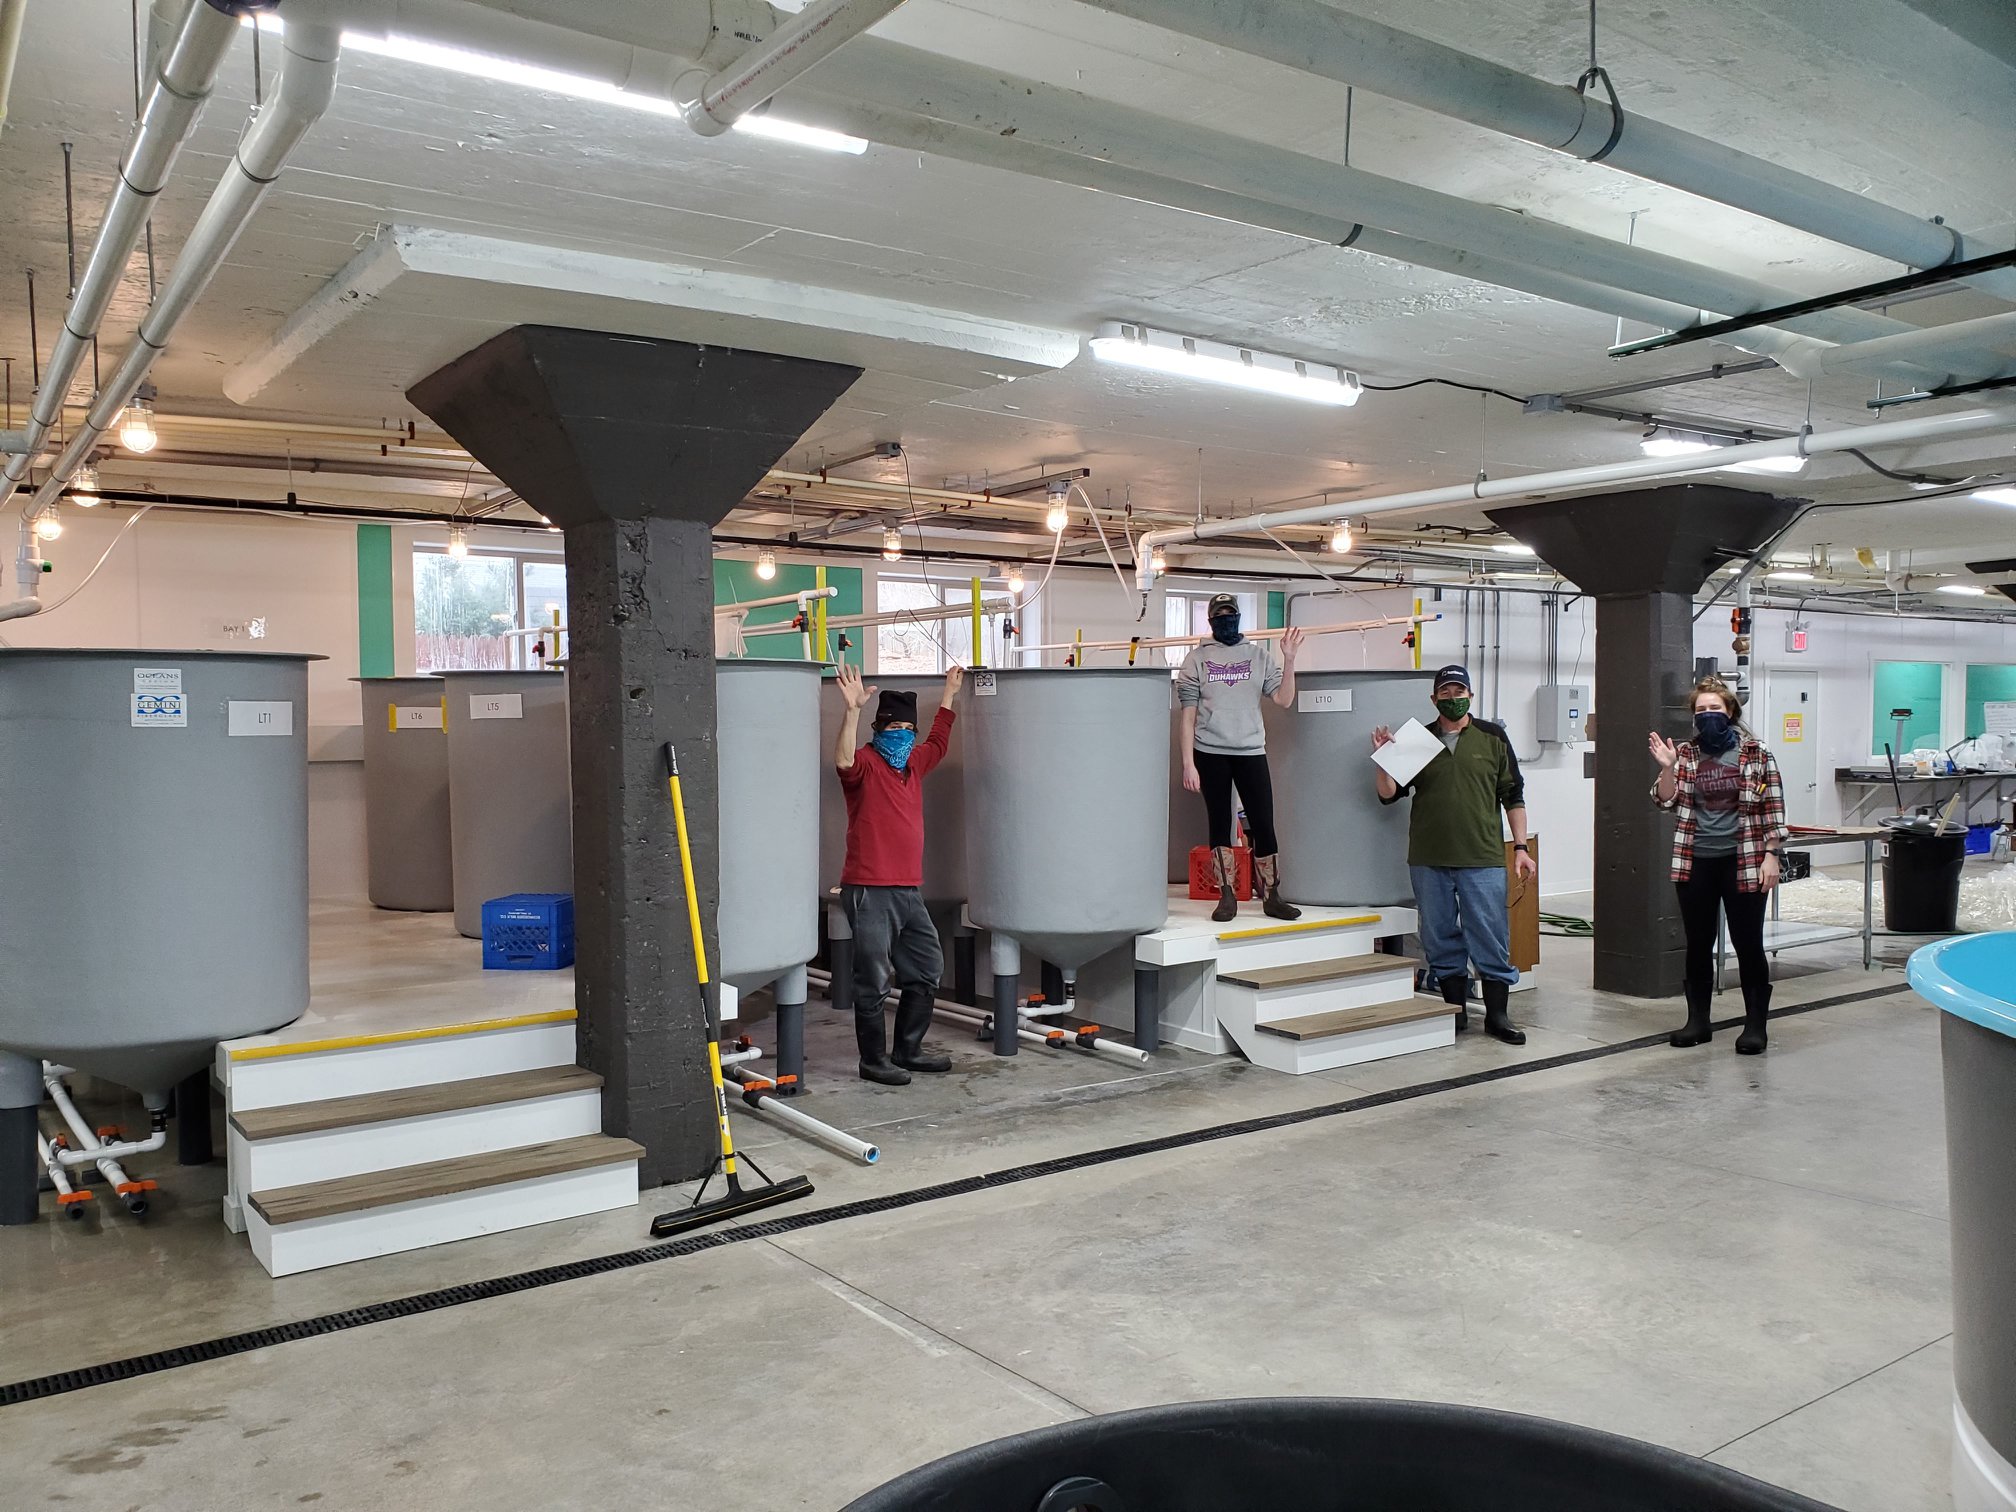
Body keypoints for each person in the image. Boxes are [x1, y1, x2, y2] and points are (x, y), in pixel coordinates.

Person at [1372, 665, 1535, 1044]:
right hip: (1429, 857)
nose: (1452, 698)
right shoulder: (1418, 740)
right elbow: (1388, 794)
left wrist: (1522, 847)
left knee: (1490, 935)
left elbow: (1513, 796)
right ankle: (1455, 1015)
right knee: (1439, 936)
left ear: (1471, 696)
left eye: (1458, 691)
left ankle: (1498, 1016)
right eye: (1445, 693)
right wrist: (1383, 760)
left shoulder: (1494, 738)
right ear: (1433, 699)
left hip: (1482, 858)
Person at [834, 661, 963, 1085]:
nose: (903, 736)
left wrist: (948, 695)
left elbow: (939, 742)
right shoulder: (866, 765)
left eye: (909, 729)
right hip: (870, 889)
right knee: (872, 977)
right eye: (895, 729)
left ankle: (908, 1050)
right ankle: (872, 1061)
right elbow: (844, 760)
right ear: (879, 728)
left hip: (908, 890)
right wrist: (851, 711)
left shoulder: (913, 764)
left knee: (927, 967)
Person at [1649, 675, 1788, 1054]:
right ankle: (1698, 1022)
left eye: (1715, 709)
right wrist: (1666, 767)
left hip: (1743, 861)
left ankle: (1755, 1026)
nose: (1708, 715)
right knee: (1698, 944)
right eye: (1701, 710)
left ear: (1730, 712)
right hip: (1695, 862)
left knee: (1748, 944)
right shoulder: (1687, 755)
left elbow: (1773, 809)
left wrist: (1772, 855)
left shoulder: (1757, 753)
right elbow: (1665, 801)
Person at [1176, 595, 1307, 922]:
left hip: (1250, 751)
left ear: (1238, 617)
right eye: (1219, 615)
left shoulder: (1258, 655)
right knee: (1219, 823)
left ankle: (1272, 895)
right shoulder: (1196, 660)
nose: (1225, 619)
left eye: (1230, 614)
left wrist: (1289, 658)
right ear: (1210, 620)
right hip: (1210, 752)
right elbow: (1188, 717)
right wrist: (1188, 762)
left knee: (1263, 822)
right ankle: (1227, 895)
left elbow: (1284, 699)